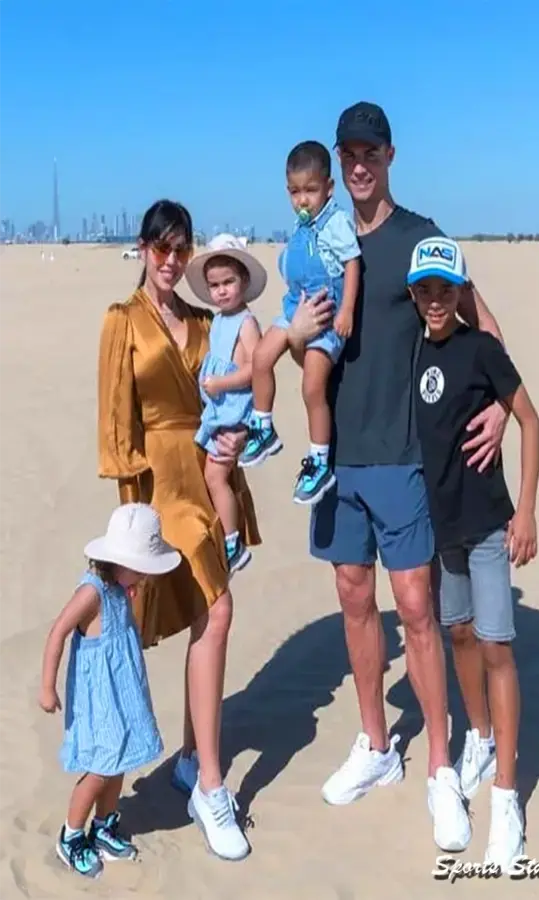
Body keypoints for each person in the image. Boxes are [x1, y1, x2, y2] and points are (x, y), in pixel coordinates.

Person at [284, 102, 510, 852]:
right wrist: (294, 339)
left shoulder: (420, 236)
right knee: (355, 596)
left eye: (369, 152)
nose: (357, 165)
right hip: (337, 457)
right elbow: (303, 342)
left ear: (389, 156)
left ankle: (441, 766)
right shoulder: (320, 238)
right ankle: (377, 745)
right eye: (347, 153)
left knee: (415, 606)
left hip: (404, 454)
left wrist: (501, 411)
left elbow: (484, 328)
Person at [97, 199, 261, 862]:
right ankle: (211, 787)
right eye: (159, 248)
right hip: (159, 490)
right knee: (217, 613)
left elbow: (234, 392)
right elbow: (116, 425)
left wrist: (240, 451)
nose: (169, 260)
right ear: (142, 250)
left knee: (208, 615)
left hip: (209, 474)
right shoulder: (122, 321)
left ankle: (196, 760)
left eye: (179, 248)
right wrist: (130, 521)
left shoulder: (206, 318)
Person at [409, 236, 539, 871]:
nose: (435, 301)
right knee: (457, 632)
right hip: (443, 533)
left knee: (497, 646)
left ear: (462, 292)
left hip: (490, 524)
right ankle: (480, 737)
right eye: (424, 290)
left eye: (446, 289)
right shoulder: (412, 352)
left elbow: (531, 422)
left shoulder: (482, 350)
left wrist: (527, 511)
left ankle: (508, 798)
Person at [39, 503, 181, 879]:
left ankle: (103, 826)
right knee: (101, 767)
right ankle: (71, 835)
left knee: (120, 760)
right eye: (143, 569)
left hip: (123, 689)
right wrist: (47, 687)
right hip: (98, 696)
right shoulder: (92, 593)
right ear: (120, 561)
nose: (146, 578)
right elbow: (58, 632)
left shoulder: (122, 587)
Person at [240, 140, 361, 506]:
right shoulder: (300, 226)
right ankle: (263, 426)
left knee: (312, 385)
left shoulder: (336, 222)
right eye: (295, 192)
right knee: (260, 358)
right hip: (294, 307)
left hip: (326, 312)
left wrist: (346, 311)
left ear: (328, 188)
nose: (302, 200)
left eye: (310, 190)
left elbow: (352, 264)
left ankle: (319, 460)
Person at [184, 233, 265, 576]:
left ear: (243, 282)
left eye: (228, 282)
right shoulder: (218, 321)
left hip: (234, 413)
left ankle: (233, 540)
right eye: (215, 285)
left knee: (215, 476)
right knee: (211, 477)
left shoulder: (246, 324)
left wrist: (220, 383)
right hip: (217, 413)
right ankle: (229, 535)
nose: (221, 291)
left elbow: (255, 369)